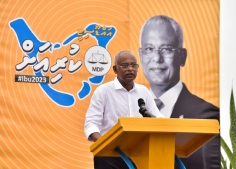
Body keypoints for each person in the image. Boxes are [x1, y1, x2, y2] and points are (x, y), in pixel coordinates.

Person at [139, 15, 220, 169]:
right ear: (141, 56)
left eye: (166, 49)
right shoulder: (128, 112)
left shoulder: (208, 116)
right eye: (149, 49)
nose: (157, 58)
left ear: (182, 56)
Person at [84, 50, 164, 169]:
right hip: (110, 155)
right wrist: (105, 145)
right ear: (115, 69)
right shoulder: (103, 91)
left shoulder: (143, 92)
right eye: (125, 65)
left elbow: (158, 118)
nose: (130, 69)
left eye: (133, 65)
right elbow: (91, 124)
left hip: (140, 154)